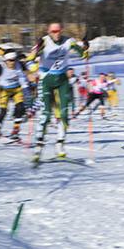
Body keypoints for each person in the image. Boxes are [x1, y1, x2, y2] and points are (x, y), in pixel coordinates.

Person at [26, 22, 89, 161]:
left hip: (62, 80)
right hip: (46, 80)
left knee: (64, 113)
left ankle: (60, 144)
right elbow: (28, 60)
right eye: (53, 31)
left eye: (58, 30)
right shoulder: (43, 42)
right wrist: (33, 67)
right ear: (49, 31)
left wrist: (86, 48)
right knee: (46, 114)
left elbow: (83, 55)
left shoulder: (69, 41)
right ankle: (38, 145)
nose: (56, 33)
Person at [0, 51, 30, 145]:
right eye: (10, 60)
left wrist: (27, 89)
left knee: (20, 108)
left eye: (14, 60)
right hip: (4, 90)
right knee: (3, 111)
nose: (12, 63)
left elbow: (25, 76)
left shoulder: (19, 65)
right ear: (6, 60)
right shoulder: (0, 67)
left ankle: (15, 132)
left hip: (16, 89)